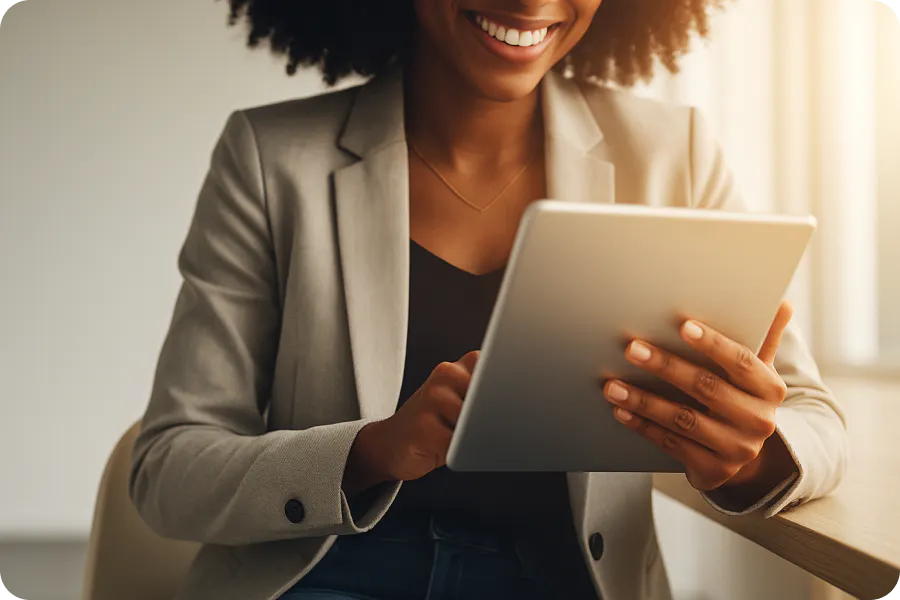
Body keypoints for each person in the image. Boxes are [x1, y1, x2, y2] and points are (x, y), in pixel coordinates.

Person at [128, 1, 849, 599]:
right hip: (330, 575)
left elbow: (814, 420)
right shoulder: (270, 158)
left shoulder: (673, 155)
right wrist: (372, 450)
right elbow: (168, 468)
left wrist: (747, 459)